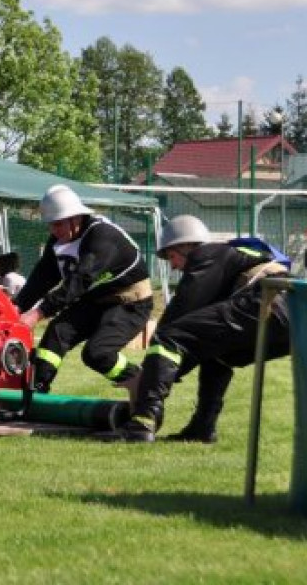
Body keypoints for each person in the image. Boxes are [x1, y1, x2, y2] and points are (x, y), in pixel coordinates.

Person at [116, 215, 291, 443]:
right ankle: (203, 428)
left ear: (188, 245)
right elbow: (196, 341)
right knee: (217, 355)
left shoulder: (206, 254)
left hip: (266, 303)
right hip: (294, 318)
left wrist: (145, 377)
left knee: (168, 338)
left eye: (172, 256)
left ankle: (143, 420)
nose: (174, 266)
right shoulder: (233, 258)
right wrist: (161, 372)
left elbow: (179, 315)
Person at [15, 184, 151, 395]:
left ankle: (141, 382)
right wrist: (16, 307)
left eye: (58, 224)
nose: (53, 231)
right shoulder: (61, 237)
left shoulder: (102, 237)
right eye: (50, 225)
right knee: (56, 333)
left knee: (97, 353)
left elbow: (78, 282)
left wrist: (37, 313)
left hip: (129, 303)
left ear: (75, 217)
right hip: (95, 300)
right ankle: (37, 392)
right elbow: (42, 277)